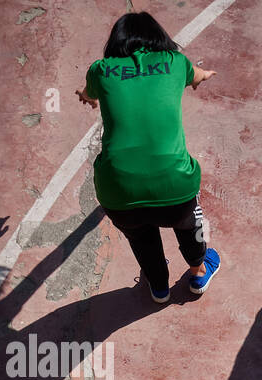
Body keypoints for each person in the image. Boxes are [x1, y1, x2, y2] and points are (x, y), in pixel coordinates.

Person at [76, 12, 219, 304]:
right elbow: (198, 75)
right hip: (175, 186)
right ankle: (198, 271)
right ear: (159, 37)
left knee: (140, 236)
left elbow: (89, 95)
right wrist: (202, 77)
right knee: (188, 225)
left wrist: (86, 96)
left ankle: (158, 287)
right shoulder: (176, 62)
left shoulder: (101, 71)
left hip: (118, 192)